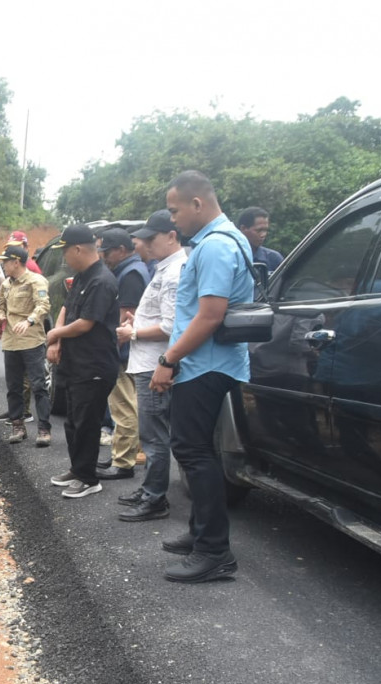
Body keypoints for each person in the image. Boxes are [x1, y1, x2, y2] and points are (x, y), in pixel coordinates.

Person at [153, 170, 254, 583]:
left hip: (204, 364)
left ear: (198, 204)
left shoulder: (214, 246)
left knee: (192, 451)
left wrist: (170, 359)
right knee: (199, 451)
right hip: (212, 362)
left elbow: (210, 316)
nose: (173, 219)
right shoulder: (229, 237)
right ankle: (201, 534)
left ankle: (214, 551)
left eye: (176, 210)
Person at [116, 210, 186, 522]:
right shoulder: (162, 268)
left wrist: (134, 331)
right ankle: (149, 490)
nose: (146, 244)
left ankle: (156, 498)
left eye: (151, 238)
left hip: (153, 363)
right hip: (146, 361)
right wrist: (139, 322)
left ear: (172, 236)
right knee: (151, 434)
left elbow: (173, 326)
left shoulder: (173, 273)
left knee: (155, 436)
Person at [45, 225, 119, 499]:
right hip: (76, 363)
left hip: (95, 366)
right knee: (73, 420)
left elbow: (86, 323)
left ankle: (89, 478)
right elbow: (67, 308)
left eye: (65, 251)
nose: (65, 258)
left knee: (88, 423)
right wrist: (57, 341)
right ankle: (77, 469)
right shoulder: (82, 277)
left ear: (77, 248)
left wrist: (54, 333)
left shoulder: (102, 280)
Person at [96, 228, 150, 481]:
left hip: (123, 352)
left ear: (120, 250)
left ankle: (124, 462)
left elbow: (124, 319)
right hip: (126, 350)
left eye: (106, 252)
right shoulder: (130, 270)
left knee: (124, 406)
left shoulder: (130, 274)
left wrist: (108, 352)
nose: (104, 257)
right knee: (123, 404)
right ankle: (120, 454)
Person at [0, 244, 52, 446]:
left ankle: (43, 429)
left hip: (31, 340)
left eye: (5, 262)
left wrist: (29, 321)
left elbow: (43, 305)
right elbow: (1, 307)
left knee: (38, 385)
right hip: (10, 341)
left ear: (16, 262)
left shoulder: (36, 281)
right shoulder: (6, 285)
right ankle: (18, 426)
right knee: (14, 386)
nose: (3, 265)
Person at [236, 207, 284, 273]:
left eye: (265, 230)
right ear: (243, 228)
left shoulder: (273, 259)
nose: (263, 235)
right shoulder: (231, 257)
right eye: (259, 230)